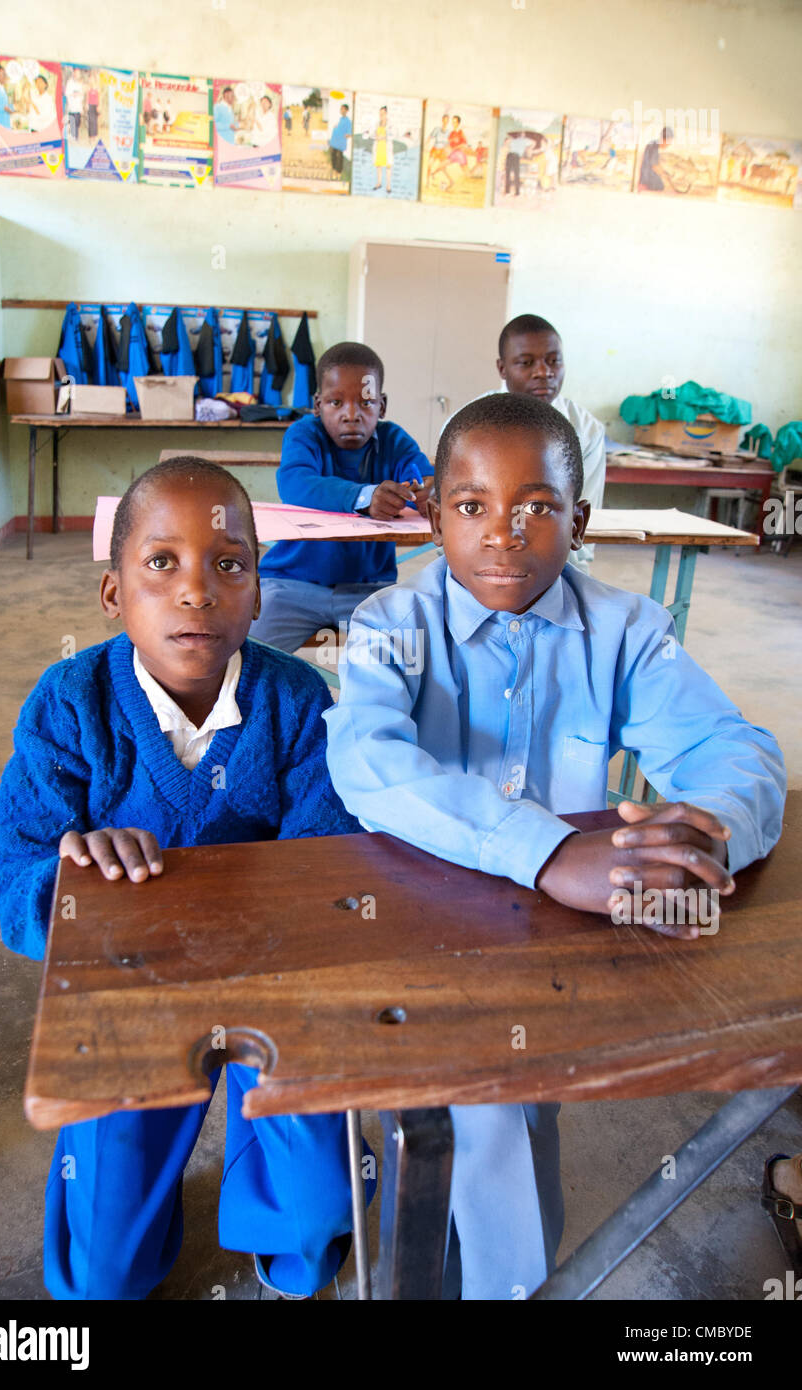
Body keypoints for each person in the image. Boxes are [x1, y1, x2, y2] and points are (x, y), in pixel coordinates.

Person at [324, 392, 786, 1300]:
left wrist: (712, 824)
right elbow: (368, 761)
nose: (503, 534)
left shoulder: (626, 633)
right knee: (469, 1137)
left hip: (562, 950)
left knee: (519, 1113)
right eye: (471, 507)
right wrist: (546, 852)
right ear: (430, 514)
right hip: (421, 933)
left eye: (536, 507)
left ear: (579, 521)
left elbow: (738, 751)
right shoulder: (390, 626)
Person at [0, 458, 375, 1300]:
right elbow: (10, 861)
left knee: (316, 1210)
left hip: (271, 987)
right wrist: (71, 879)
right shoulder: (70, 701)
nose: (196, 592)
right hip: (131, 993)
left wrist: (259, 926)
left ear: (262, 593)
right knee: (102, 1274)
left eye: (229, 565)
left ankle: (281, 1226)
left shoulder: (300, 702)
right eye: (162, 563)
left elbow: (326, 863)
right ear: (113, 593)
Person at [249, 342, 433, 654]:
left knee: (410, 654)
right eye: (336, 403)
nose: (351, 415)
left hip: (369, 591)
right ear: (317, 405)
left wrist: (431, 490)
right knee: (246, 653)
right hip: (290, 586)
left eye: (366, 403)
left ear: (382, 406)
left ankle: (376, 703)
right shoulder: (304, 434)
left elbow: (424, 478)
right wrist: (363, 496)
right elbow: (295, 482)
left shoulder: (394, 441)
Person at [449, 314, 606, 571]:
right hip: (479, 563)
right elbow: (458, 516)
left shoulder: (586, 430)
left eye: (554, 361)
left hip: (558, 564)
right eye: (526, 363)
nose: (544, 372)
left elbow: (582, 524)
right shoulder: (466, 426)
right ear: (502, 369)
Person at [639, 125, 673, 191]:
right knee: (661, 186)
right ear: (664, 139)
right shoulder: (653, 146)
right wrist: (665, 174)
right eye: (669, 142)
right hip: (647, 177)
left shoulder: (653, 144)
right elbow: (654, 166)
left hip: (646, 175)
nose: (669, 145)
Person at [373, 105, 392, 193]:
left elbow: (392, 135)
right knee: (379, 166)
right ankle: (379, 183)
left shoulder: (390, 124)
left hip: (386, 147)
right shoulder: (377, 123)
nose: (381, 115)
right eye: (380, 114)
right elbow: (374, 133)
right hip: (379, 147)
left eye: (383, 113)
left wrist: (383, 137)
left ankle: (388, 186)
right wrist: (377, 136)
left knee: (388, 167)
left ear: (386, 114)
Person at [329, 102, 351, 175]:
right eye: (341, 109)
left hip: (341, 142)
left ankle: (338, 171)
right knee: (333, 155)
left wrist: (345, 135)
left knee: (339, 157)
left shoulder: (348, 121)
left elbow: (349, 133)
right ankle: (334, 168)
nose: (341, 110)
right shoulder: (339, 119)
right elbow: (335, 127)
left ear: (346, 110)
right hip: (334, 141)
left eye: (343, 109)